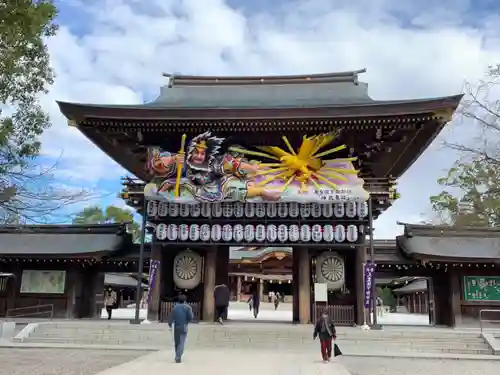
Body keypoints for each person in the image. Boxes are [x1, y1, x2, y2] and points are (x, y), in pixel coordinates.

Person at [168, 294, 194, 363]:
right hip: (184, 326)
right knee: (181, 342)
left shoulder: (175, 307)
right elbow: (191, 317)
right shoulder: (188, 307)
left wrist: (170, 325)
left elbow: (171, 317)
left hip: (176, 326)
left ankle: (177, 354)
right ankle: (178, 356)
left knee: (177, 342)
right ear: (185, 300)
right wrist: (187, 320)